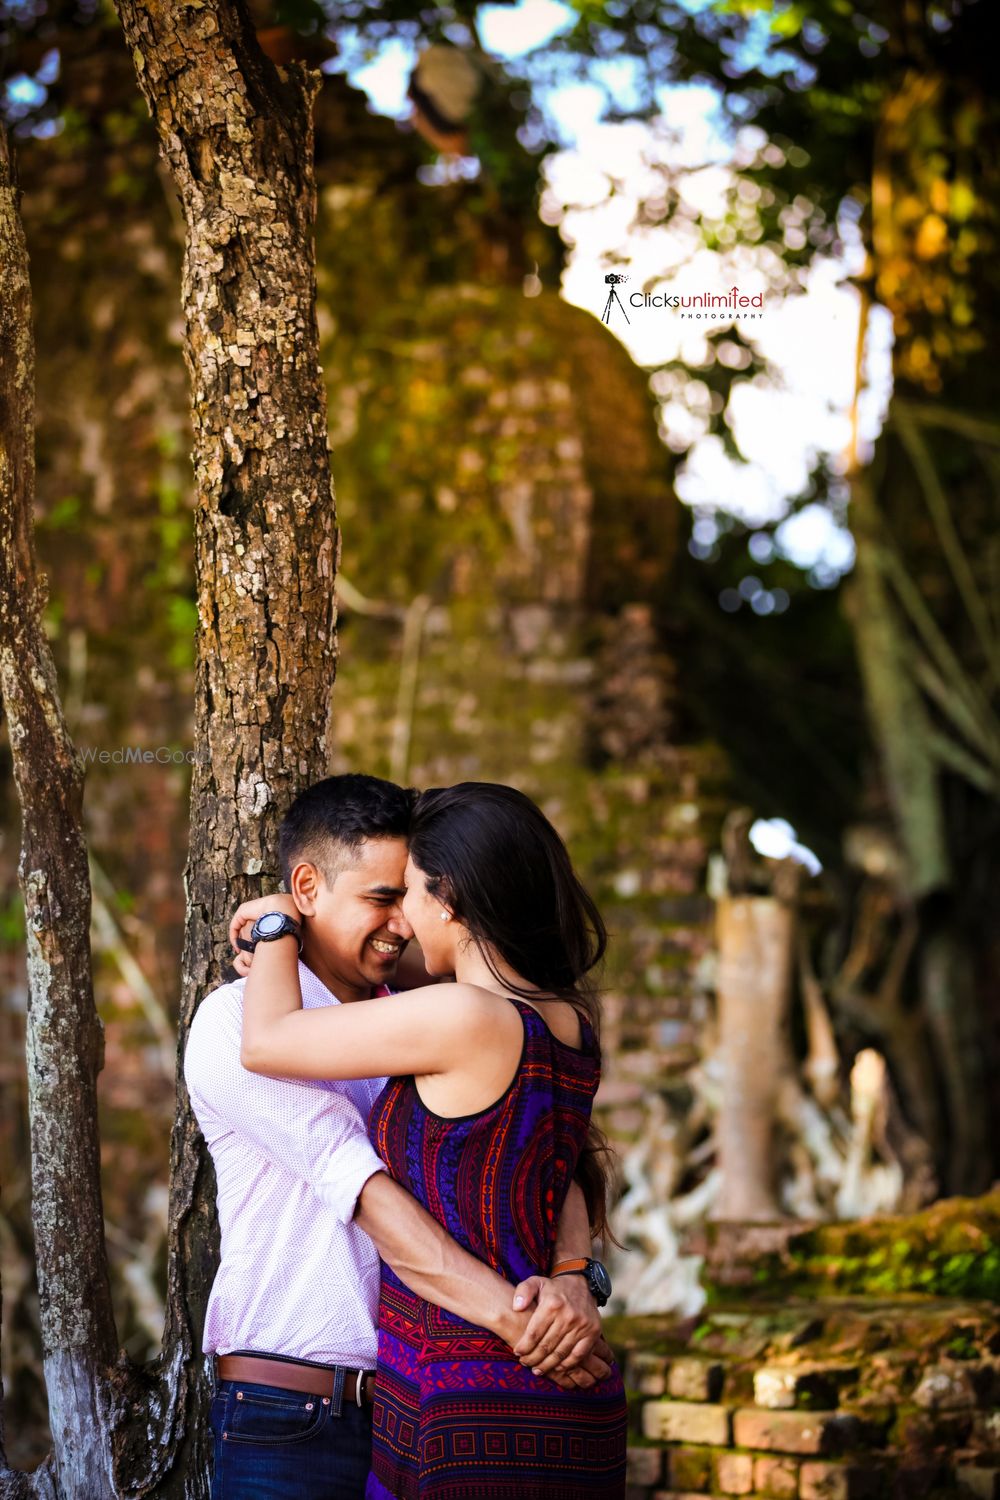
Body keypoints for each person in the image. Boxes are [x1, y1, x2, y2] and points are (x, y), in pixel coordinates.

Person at [186, 774, 610, 1500]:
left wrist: (572, 1277)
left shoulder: (427, 1019)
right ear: (309, 885)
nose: (402, 924)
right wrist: (529, 1325)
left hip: (427, 1398)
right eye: (381, 899)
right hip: (294, 1413)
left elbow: (549, 1156)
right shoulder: (234, 1022)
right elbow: (364, 1191)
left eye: (407, 896)